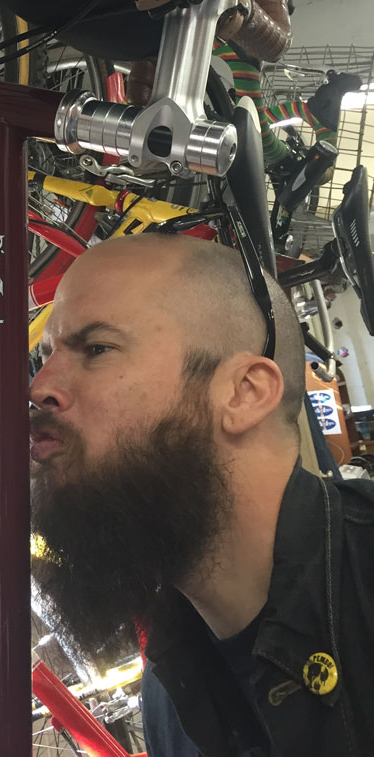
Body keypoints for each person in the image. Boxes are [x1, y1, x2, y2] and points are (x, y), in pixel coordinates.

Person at [28, 232, 374, 756]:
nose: (40, 387)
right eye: (46, 357)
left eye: (97, 349)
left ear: (245, 393)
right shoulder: (169, 692)